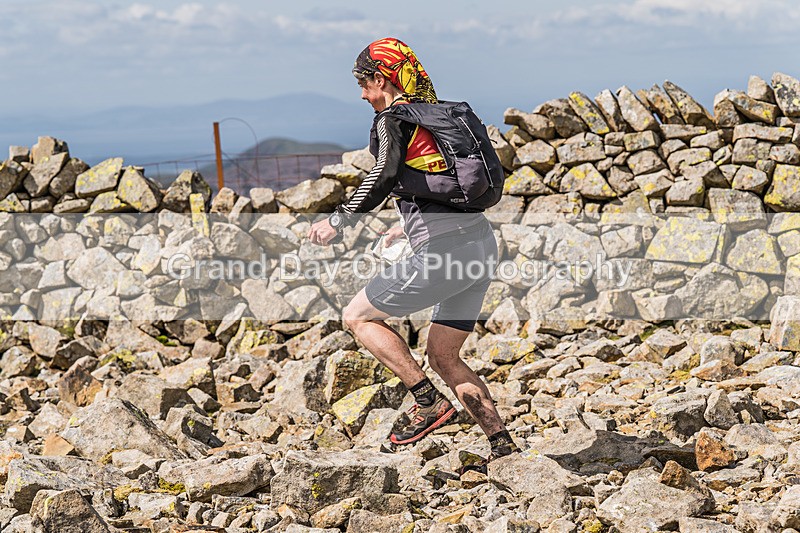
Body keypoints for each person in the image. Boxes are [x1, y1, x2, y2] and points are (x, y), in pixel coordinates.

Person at [307, 37, 518, 462]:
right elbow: (443, 185)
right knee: (443, 354)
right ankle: (503, 446)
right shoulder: (441, 117)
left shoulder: (393, 119)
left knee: (357, 316)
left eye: (364, 86)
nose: (365, 97)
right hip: (479, 247)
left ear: (381, 79)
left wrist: (338, 219)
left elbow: (383, 174)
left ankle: (427, 401)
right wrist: (406, 230)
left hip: (444, 254)